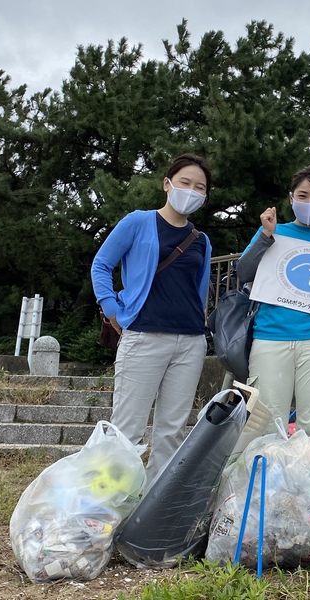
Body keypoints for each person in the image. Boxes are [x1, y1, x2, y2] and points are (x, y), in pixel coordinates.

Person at [90, 153, 213, 485]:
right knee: (126, 428)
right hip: (143, 335)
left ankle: (152, 513)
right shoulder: (137, 222)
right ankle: (107, 504)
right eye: (185, 182)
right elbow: (101, 264)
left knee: (172, 431)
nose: (191, 190)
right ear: (167, 184)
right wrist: (111, 308)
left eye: (199, 187)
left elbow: (199, 291)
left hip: (189, 341)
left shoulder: (201, 240)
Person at [235, 165, 310, 439]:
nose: (309, 203)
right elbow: (243, 273)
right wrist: (266, 235)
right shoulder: (272, 232)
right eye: (302, 196)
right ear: (291, 199)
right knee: (266, 423)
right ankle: (265, 479)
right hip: (270, 336)